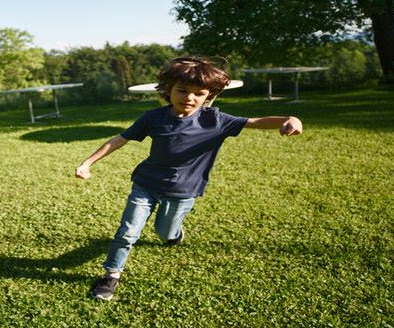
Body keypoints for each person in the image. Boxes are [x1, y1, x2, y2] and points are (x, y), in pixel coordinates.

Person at [75, 57, 303, 301]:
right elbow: (120, 139)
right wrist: (88, 162)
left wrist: (290, 119)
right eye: (182, 90)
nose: (189, 98)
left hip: (183, 190)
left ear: (208, 95)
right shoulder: (153, 117)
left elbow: (255, 122)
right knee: (127, 232)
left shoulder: (215, 120)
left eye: (198, 93)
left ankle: (174, 234)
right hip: (146, 184)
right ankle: (111, 275)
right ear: (168, 90)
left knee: (165, 233)